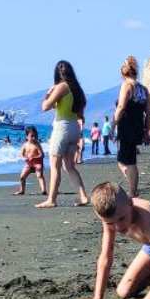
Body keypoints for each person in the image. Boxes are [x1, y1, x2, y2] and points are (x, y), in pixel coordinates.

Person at [36, 60, 91, 208]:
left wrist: (48, 94)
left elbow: (45, 107)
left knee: (55, 165)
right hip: (74, 128)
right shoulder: (77, 89)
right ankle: (83, 196)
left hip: (62, 128)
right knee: (69, 166)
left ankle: (51, 199)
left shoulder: (62, 86)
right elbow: (80, 114)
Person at [113, 56, 150, 198]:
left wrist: (113, 124)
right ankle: (132, 188)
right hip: (137, 127)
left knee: (126, 161)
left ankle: (132, 191)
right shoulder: (144, 90)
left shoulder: (127, 86)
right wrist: (147, 131)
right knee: (128, 159)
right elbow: (148, 113)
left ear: (123, 74)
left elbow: (121, 106)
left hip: (126, 126)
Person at [15, 125, 47, 195]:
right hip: (28, 164)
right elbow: (21, 154)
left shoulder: (37, 144)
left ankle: (43, 190)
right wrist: (24, 157)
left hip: (37, 163)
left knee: (39, 176)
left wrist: (35, 157)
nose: (34, 138)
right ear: (27, 137)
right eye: (32, 136)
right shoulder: (25, 145)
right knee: (22, 177)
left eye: (35, 136)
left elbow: (42, 155)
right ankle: (21, 190)